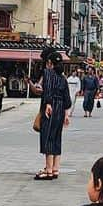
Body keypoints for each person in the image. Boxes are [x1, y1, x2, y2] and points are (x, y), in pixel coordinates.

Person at [32, 49, 72, 179]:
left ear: (50, 62)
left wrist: (48, 104)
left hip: (50, 107)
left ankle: (48, 170)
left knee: (48, 137)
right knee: (56, 137)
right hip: (61, 109)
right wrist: (66, 115)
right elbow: (67, 98)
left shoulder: (48, 73)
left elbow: (47, 89)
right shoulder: (63, 78)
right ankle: (55, 169)